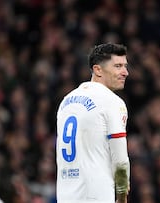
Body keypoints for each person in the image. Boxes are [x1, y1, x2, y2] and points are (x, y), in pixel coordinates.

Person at [56, 43, 130, 203]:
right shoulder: (112, 102)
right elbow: (120, 159)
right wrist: (122, 195)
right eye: (118, 66)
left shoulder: (66, 102)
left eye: (125, 66)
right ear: (97, 70)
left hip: (65, 195)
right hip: (96, 195)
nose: (125, 72)